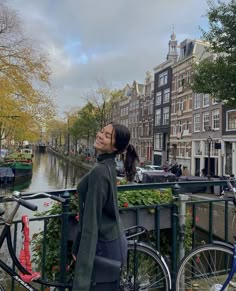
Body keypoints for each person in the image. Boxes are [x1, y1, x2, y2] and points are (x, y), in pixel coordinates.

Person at [72, 122, 139, 291]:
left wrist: (81, 280)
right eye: (102, 131)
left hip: (105, 247)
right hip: (112, 241)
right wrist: (77, 246)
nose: (100, 135)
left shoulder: (100, 172)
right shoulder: (106, 166)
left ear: (115, 147)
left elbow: (91, 222)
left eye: (107, 135)